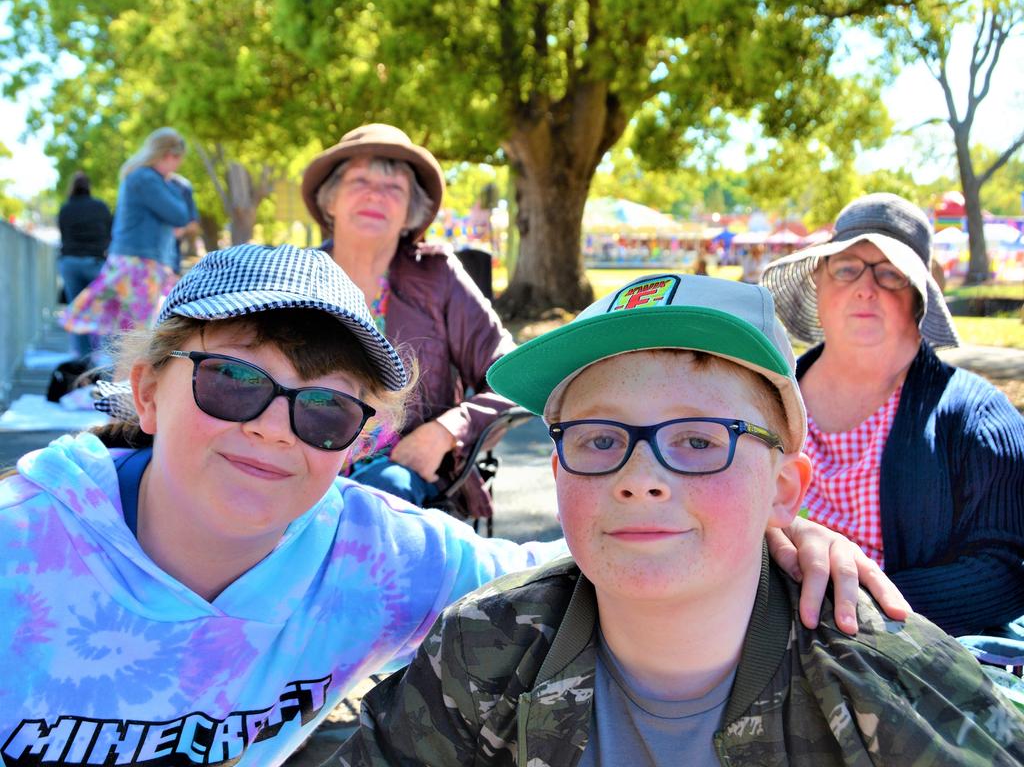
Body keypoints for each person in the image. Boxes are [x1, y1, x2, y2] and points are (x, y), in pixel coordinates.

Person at [0, 247, 898, 766]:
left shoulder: (377, 556)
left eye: (324, 409)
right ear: (146, 393)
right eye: (233, 382)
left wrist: (775, 531)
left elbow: (602, 556)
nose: (274, 430)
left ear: (357, 444)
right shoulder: (17, 553)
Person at [330, 273, 1024, 766]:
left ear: (785, 490)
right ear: (557, 469)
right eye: (600, 439)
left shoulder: (893, 687)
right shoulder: (484, 648)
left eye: (699, 441)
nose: (640, 479)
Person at [760, 192, 1024, 636]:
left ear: (919, 299)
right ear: (819, 286)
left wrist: (852, 608)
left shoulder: (977, 420)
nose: (866, 287)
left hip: (907, 665)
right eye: (846, 268)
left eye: (890, 274)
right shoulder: (757, 403)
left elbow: (1007, 570)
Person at [301, 123, 515, 515]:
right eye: (359, 181)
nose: (374, 195)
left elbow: (514, 376)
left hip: (397, 473)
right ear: (330, 201)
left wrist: (446, 431)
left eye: (393, 188)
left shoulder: (437, 276)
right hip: (300, 458)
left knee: (380, 498)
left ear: (409, 214)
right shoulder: (296, 277)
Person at [61, 127, 192, 351]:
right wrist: (176, 186)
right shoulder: (146, 178)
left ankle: (114, 380)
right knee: (136, 336)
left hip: (138, 262)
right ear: (168, 155)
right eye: (178, 158)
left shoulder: (144, 177)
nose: (178, 164)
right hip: (139, 264)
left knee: (130, 333)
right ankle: (119, 382)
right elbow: (180, 215)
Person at [57, 170, 113, 359]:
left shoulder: (66, 208)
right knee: (102, 310)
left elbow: (63, 234)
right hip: (95, 262)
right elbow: (110, 233)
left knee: (77, 310)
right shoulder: (100, 207)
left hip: (70, 262)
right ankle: (104, 357)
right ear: (89, 186)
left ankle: (81, 358)